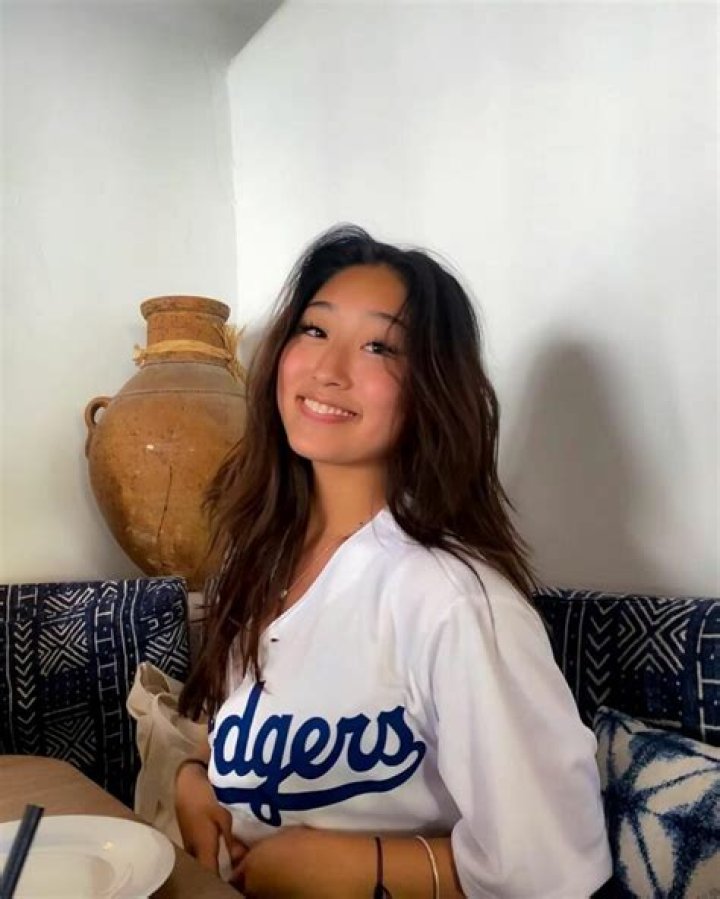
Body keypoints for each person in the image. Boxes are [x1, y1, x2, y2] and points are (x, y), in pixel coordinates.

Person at [175, 225, 612, 898]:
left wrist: (363, 866)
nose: (329, 369)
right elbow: (248, 730)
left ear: (431, 387)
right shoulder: (255, 559)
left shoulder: (454, 601)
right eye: (315, 330)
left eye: (379, 346)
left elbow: (553, 866)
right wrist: (194, 780)